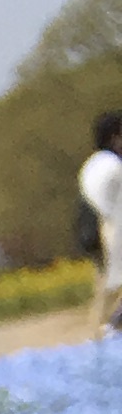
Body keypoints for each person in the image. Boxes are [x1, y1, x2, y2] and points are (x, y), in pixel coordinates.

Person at [87, 109, 122, 337]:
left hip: (101, 237)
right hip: (111, 235)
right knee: (108, 296)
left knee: (105, 295)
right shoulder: (111, 166)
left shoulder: (95, 164)